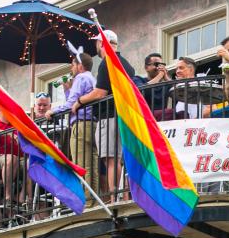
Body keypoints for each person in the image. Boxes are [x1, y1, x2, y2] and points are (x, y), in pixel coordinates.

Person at [76, 29, 135, 198]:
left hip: (109, 116)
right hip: (123, 115)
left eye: (96, 42)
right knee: (120, 159)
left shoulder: (107, 61)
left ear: (101, 43)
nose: (95, 46)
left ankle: (114, 197)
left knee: (110, 158)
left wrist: (79, 102)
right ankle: (123, 196)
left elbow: (99, 93)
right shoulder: (126, 63)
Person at [46, 52, 98, 198]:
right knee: (92, 163)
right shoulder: (91, 79)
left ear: (80, 66)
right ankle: (94, 198)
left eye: (73, 65)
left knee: (81, 164)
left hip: (81, 124)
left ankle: (87, 201)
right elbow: (75, 102)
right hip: (92, 123)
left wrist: (53, 111)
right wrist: (68, 89)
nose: (71, 68)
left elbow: (70, 105)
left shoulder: (80, 78)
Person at [136, 53, 171, 118]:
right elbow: (140, 91)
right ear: (146, 67)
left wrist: (166, 77)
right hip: (144, 119)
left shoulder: (165, 84)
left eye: (161, 65)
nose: (159, 67)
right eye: (156, 64)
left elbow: (177, 90)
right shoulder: (138, 79)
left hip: (162, 121)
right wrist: (160, 75)